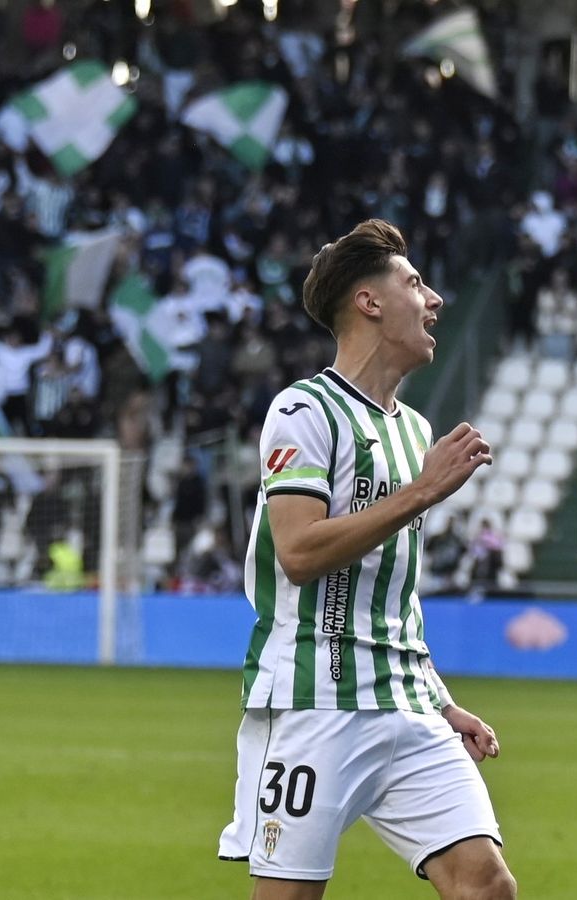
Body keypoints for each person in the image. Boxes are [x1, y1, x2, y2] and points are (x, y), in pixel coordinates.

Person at [217, 219, 516, 900]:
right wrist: (421, 492)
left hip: (405, 702)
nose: (435, 299)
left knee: (486, 887)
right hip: (313, 702)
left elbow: (391, 595)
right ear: (369, 301)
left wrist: (441, 700)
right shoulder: (305, 410)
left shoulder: (415, 430)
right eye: (415, 282)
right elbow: (298, 553)